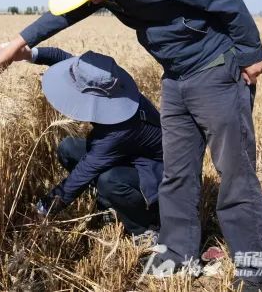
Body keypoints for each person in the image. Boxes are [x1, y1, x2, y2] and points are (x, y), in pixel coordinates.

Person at [0, 0, 262, 291]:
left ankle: (256, 273)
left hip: (215, 69)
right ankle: (177, 252)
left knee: (235, 171)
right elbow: (66, 15)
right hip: (175, 79)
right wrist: (21, 43)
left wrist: (250, 52)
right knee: (177, 171)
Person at [17, 45, 163, 243]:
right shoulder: (110, 84)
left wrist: (43, 209)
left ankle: (144, 228)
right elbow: (64, 59)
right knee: (68, 148)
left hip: (157, 176)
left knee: (109, 180)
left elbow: (81, 175)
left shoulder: (117, 132)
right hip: (129, 155)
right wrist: (28, 53)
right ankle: (108, 205)